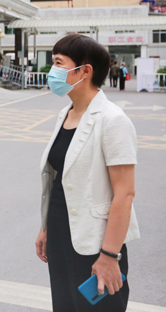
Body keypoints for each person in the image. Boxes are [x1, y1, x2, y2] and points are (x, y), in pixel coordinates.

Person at [35, 34, 140, 311]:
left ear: (85, 71)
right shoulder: (66, 114)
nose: (52, 71)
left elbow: (125, 194)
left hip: (96, 242)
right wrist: (46, 227)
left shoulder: (112, 120)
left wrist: (109, 255)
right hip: (61, 234)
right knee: (65, 305)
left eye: (58, 63)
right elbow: (60, 179)